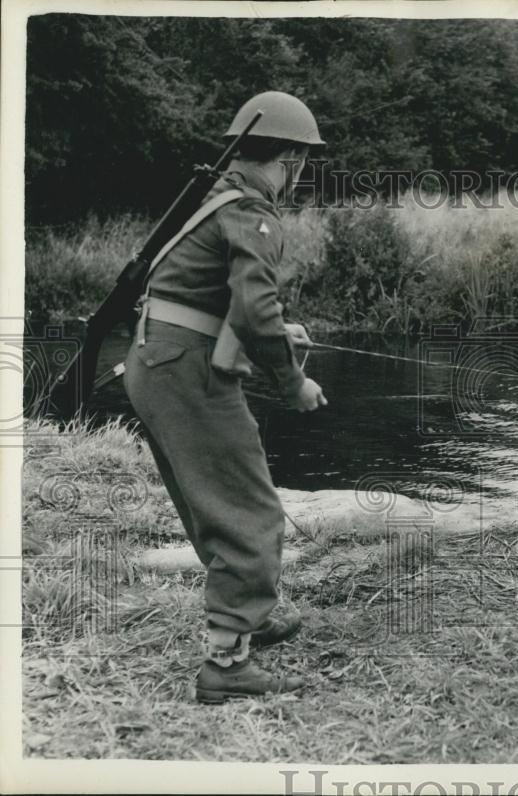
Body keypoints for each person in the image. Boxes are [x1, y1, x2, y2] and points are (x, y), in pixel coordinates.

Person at [123, 92, 328, 703]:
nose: (298, 176)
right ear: (288, 156)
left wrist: (275, 334)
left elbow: (207, 300)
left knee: (215, 501)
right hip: (186, 372)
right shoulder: (253, 214)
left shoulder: (214, 201)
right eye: (299, 163)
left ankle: (250, 617)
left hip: (154, 360)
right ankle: (227, 665)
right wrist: (294, 384)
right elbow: (256, 312)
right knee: (249, 508)